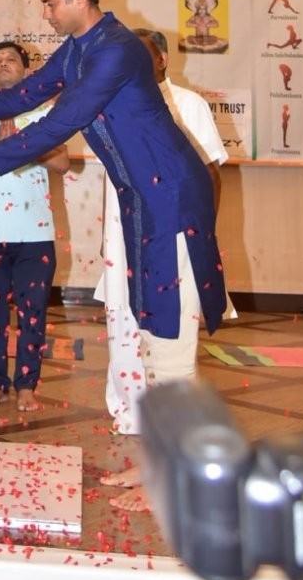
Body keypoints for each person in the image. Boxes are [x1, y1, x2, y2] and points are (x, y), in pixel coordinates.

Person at [0, 0, 226, 513]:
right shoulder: (82, 47)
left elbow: (59, 123)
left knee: (171, 340)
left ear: (77, 0)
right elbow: (25, 95)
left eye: (48, 2)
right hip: (142, 200)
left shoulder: (115, 48)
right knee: (148, 330)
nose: (44, 13)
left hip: (171, 198)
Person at [95, 27, 229, 438]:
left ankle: (170, 428)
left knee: (170, 332)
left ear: (162, 59)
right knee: (122, 323)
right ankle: (131, 410)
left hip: (173, 239)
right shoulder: (111, 101)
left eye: (141, 55)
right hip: (122, 239)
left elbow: (209, 173)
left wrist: (199, 239)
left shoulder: (187, 103)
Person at [0, 40, 69, 412]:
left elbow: (62, 165)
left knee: (33, 312)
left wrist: (25, 146)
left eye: (12, 59)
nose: (4, 64)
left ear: (27, 70)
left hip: (35, 235)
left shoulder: (44, 114)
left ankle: (27, 385)